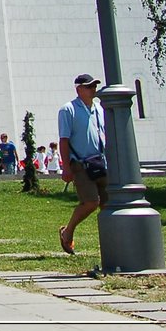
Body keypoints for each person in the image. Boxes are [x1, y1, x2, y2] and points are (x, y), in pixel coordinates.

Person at [57, 73, 107, 254]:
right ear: (78, 89)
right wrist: (66, 167)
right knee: (91, 202)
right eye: (88, 86)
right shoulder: (68, 110)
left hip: (101, 163)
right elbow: (64, 140)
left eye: (94, 86)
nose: (93, 89)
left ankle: (110, 243)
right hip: (81, 164)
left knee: (108, 205)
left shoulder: (100, 108)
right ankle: (68, 232)